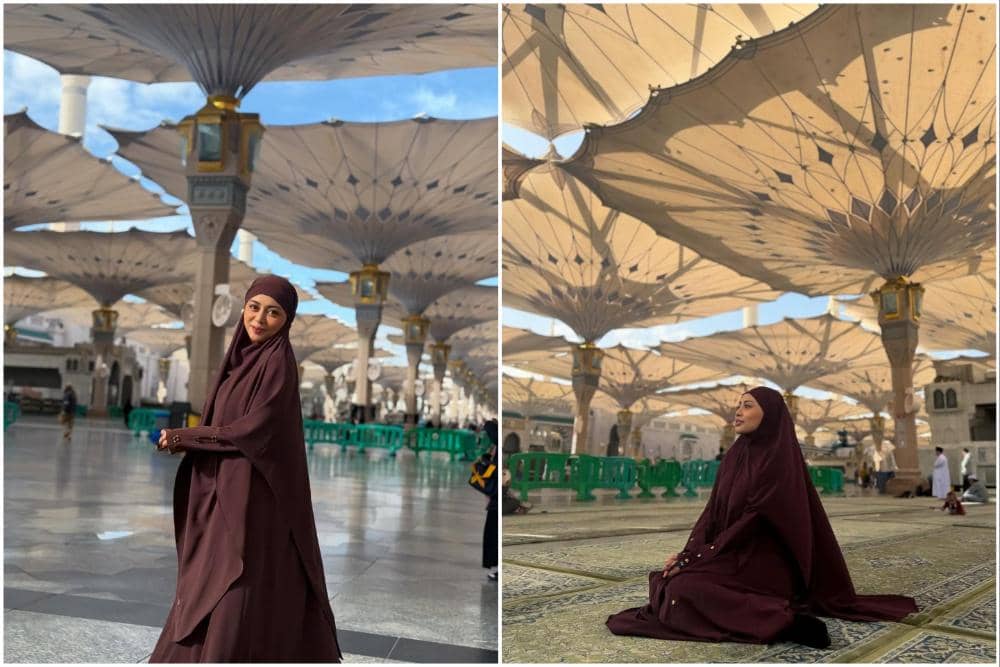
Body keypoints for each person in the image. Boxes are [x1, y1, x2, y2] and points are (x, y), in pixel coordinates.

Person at [606, 387, 917, 648]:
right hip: (730, 554)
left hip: (763, 562)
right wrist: (688, 554)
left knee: (685, 590)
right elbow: (711, 514)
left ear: (769, 414)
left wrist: (700, 558)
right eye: (738, 405)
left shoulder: (778, 460)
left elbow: (751, 521)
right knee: (667, 580)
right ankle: (761, 614)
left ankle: (783, 621)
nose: (738, 412)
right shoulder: (734, 456)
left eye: (747, 405)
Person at [150, 276, 341, 662]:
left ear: (286, 321)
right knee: (211, 578)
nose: (260, 319)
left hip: (251, 503)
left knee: (230, 582)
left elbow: (250, 431)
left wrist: (186, 438)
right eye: (254, 307)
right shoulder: (238, 362)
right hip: (225, 493)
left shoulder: (277, 364)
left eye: (274, 312)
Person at [482, 419, 499, 582]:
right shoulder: (495, 450)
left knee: (495, 533)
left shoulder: (498, 451)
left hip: (497, 500)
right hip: (495, 499)